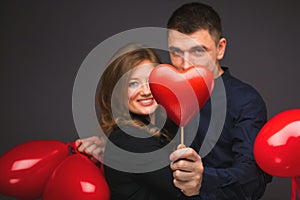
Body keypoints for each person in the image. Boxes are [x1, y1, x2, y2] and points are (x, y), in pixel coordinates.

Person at [167, 2, 272, 199]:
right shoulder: (163, 92)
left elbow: (253, 179)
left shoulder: (246, 101)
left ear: (220, 48)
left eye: (198, 51)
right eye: (176, 52)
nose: (185, 64)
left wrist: (202, 180)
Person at [77, 44, 186, 200]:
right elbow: (188, 192)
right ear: (116, 91)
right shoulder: (132, 140)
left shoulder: (152, 131)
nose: (146, 91)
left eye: (151, 80)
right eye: (133, 83)